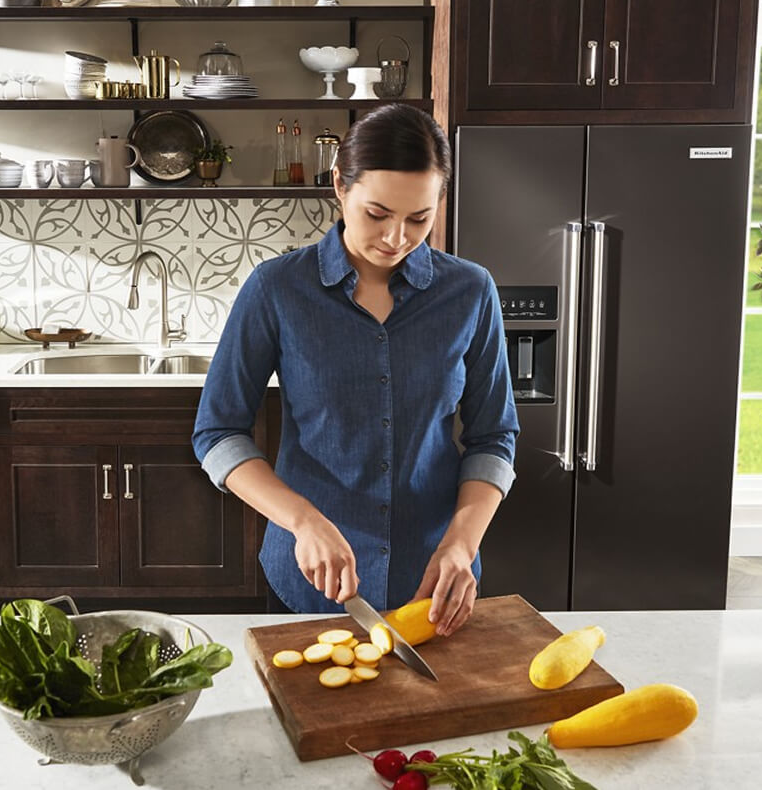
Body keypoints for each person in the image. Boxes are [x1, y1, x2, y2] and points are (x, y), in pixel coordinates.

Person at [191, 104, 518, 637]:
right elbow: (217, 433)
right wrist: (301, 520)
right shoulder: (276, 290)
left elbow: (494, 437)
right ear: (339, 186)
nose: (396, 238)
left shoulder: (470, 291)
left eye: (419, 218)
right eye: (377, 213)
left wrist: (462, 541)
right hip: (310, 583)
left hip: (434, 586)